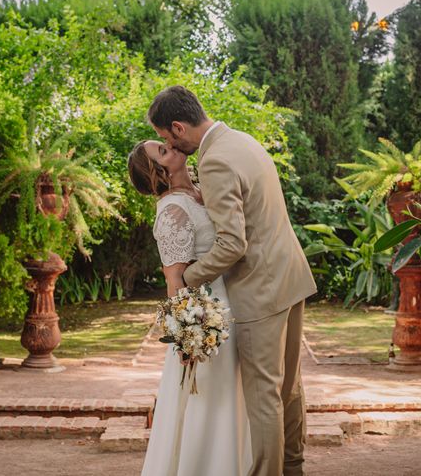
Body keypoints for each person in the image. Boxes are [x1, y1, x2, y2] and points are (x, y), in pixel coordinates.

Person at [147, 85, 317, 476]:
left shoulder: (214, 161)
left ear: (177, 127)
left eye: (165, 138)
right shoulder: (242, 141)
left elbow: (232, 244)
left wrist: (186, 278)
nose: (167, 145)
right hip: (290, 277)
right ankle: (294, 469)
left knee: (263, 399)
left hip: (260, 290)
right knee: (288, 389)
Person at [128, 138, 251, 476]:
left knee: (233, 396)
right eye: (163, 152)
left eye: (164, 144)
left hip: (234, 304)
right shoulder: (172, 211)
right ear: (159, 173)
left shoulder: (199, 191)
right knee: (211, 398)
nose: (171, 147)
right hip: (206, 318)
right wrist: (186, 335)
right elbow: (175, 280)